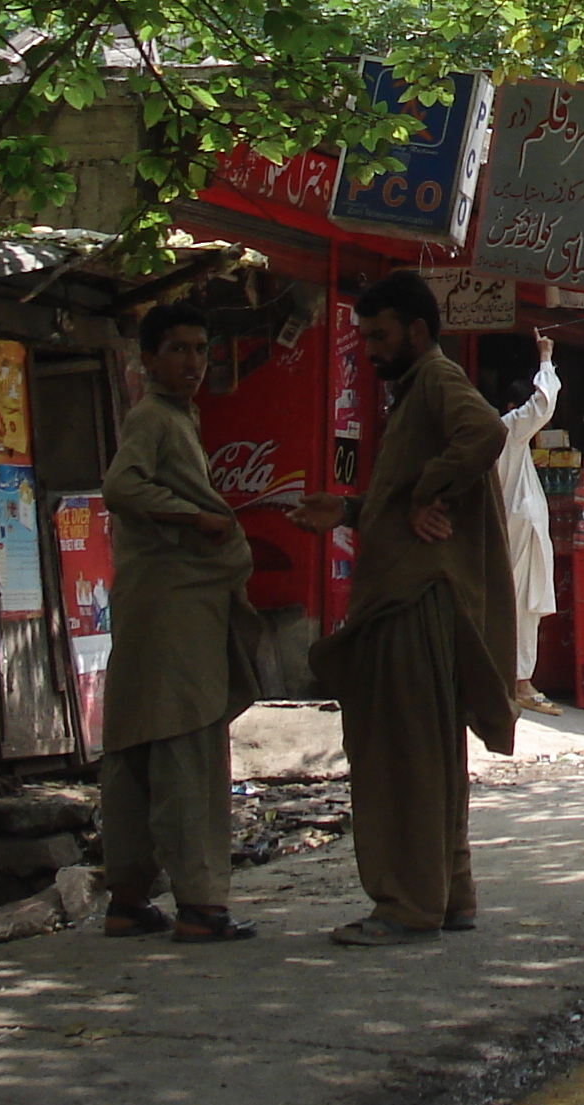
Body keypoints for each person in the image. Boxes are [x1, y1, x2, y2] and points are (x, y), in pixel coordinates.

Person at [292, 271, 515, 947]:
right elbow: (406, 498)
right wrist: (356, 511)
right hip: (415, 599)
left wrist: (428, 491)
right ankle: (451, 895)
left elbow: (486, 433)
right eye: (364, 337)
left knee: (402, 760)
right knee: (433, 757)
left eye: (380, 335)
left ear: (418, 331)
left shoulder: (439, 381)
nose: (370, 349)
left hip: (414, 604)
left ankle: (407, 906)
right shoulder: (415, 392)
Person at [97, 301, 265, 943]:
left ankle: (128, 897)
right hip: (172, 609)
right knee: (188, 749)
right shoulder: (152, 419)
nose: (194, 363)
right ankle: (201, 904)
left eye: (201, 349)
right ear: (148, 358)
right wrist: (191, 518)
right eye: (180, 350)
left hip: (155, 606)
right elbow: (121, 487)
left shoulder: (175, 418)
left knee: (136, 748)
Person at [494, 336, 562, 716]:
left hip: (524, 532)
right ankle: (516, 680)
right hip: (517, 532)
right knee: (518, 605)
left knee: (527, 606)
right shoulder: (507, 430)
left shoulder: (514, 441)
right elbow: (543, 405)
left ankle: (521, 679)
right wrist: (546, 359)